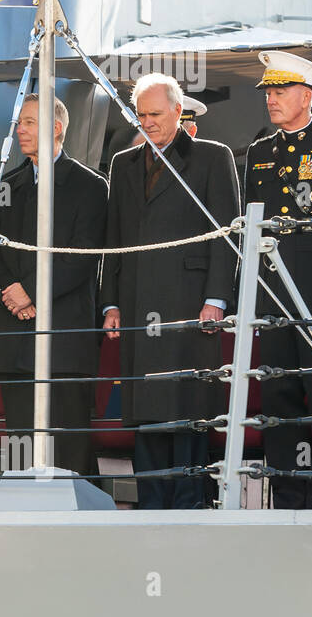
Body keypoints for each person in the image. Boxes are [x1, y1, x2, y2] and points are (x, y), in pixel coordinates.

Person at [101, 74, 241, 508]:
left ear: (179, 112)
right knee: (145, 406)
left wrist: (216, 299)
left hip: (189, 300)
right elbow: (113, 239)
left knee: (187, 406)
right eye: (140, 116)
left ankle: (190, 500)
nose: (147, 123)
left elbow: (226, 234)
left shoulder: (212, 158)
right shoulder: (123, 163)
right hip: (139, 300)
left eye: (155, 115)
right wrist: (111, 302)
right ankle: (152, 500)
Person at [244, 51, 312, 509]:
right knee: (278, 394)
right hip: (274, 293)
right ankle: (287, 495)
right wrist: (245, 297)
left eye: (281, 90)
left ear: (307, 96)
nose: (272, 99)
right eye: (268, 91)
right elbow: (249, 231)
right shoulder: (258, 152)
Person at [0, 94, 106, 482]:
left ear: (56, 128)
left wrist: (30, 292)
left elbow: (82, 256)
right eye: (20, 123)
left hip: (64, 336)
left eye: (30, 122)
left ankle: (79, 527)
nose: (20, 130)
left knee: (68, 444)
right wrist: (13, 295)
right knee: (21, 443)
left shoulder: (89, 185)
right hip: (17, 336)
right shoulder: (8, 185)